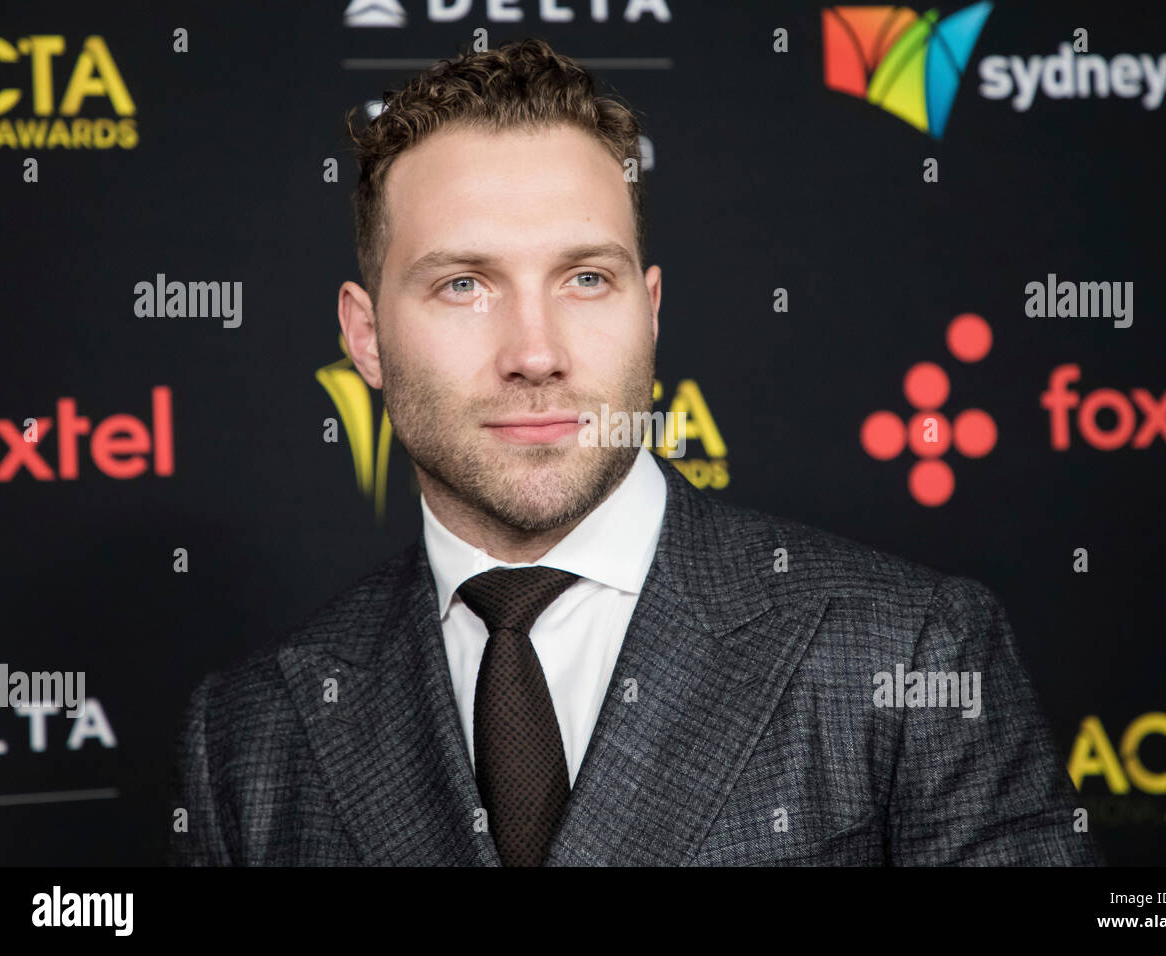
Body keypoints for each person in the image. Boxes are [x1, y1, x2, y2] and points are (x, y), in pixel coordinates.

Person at [168, 37, 1098, 866]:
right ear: (366, 337)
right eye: (463, 285)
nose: (535, 352)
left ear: (649, 310)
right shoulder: (250, 734)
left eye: (584, 278)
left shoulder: (908, 649)